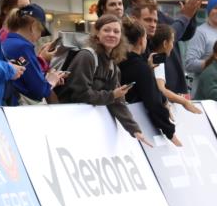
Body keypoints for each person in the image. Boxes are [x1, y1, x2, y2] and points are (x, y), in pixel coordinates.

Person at [55, 14, 148, 144]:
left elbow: (117, 102)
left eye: (116, 31)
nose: (112, 34)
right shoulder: (86, 56)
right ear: (97, 33)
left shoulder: (113, 65)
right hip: (68, 123)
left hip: (85, 124)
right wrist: (111, 95)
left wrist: (135, 130)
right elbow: (80, 94)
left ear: (121, 37)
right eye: (106, 30)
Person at [129, 0, 201, 95]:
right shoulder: (132, 21)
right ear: (133, 1)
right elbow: (167, 36)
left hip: (175, 86)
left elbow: (185, 34)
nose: (149, 0)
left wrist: (191, 17)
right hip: (156, 89)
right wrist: (185, 16)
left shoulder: (161, 16)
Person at [119, 16, 181, 146]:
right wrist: (170, 131)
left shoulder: (120, 62)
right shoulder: (141, 68)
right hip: (136, 128)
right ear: (142, 40)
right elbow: (153, 102)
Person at [132, 3, 202, 115]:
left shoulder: (156, 55)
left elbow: (158, 89)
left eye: (155, 21)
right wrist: (184, 102)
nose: (152, 24)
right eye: (148, 20)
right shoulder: (129, 48)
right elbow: (161, 89)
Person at [2, 3, 67, 104]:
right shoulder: (23, 47)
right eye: (41, 31)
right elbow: (39, 90)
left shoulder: (5, 42)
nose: (40, 36)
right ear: (32, 26)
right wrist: (51, 81)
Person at [184, 0, 217, 75]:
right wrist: (214, 63)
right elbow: (189, 64)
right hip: (204, 86)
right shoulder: (200, 32)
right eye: (216, 8)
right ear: (209, 11)